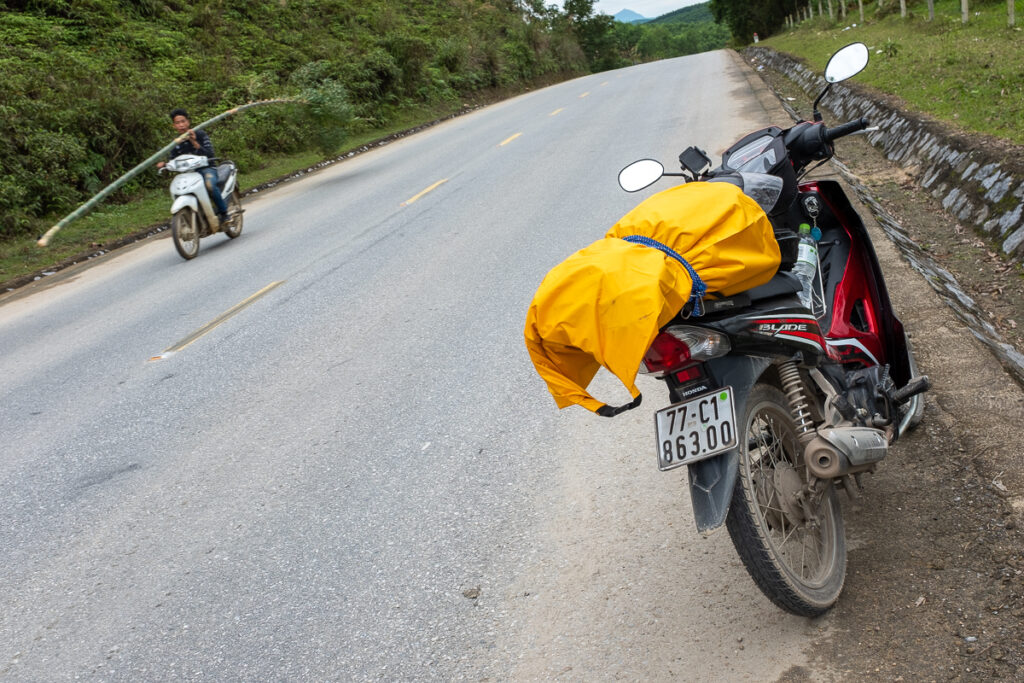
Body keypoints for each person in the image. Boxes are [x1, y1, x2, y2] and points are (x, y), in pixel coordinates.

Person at [156, 108, 229, 224]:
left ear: (188, 122)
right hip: (188, 173)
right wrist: (164, 164)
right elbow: (172, 159)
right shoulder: (176, 142)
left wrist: (194, 141)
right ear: (174, 126)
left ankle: (224, 213)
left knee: (210, 185)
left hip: (206, 169)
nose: (181, 125)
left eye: (183, 121)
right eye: (177, 123)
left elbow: (210, 154)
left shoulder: (200, 134)